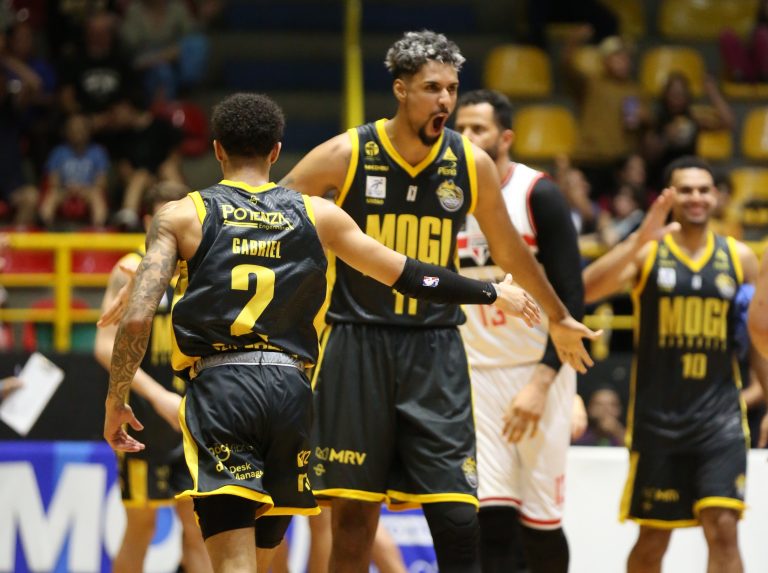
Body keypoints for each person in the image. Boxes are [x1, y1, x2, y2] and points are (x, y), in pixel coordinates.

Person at [102, 92, 540, 573]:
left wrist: (117, 398)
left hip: (223, 389)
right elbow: (412, 275)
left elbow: (138, 320)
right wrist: (491, 292)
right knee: (265, 561)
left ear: (217, 149)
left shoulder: (181, 214)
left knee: (233, 563)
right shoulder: (318, 215)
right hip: (291, 393)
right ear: (276, 151)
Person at [279, 30, 600, 573]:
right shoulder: (348, 153)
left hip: (436, 349)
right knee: (353, 525)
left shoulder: (469, 162)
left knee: (458, 519)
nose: (445, 100)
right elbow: (272, 213)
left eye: (452, 88)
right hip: (357, 342)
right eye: (432, 88)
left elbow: (512, 253)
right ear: (401, 90)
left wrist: (560, 317)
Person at [583, 155, 768, 572]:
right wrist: (637, 240)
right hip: (658, 420)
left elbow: (758, 335)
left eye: (703, 189)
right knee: (653, 537)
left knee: (723, 527)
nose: (696, 197)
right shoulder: (648, 253)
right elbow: (585, 291)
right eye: (685, 190)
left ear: (716, 196)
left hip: (720, 419)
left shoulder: (740, 257)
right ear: (669, 196)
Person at [454, 89, 584, 573]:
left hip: (537, 373)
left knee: (541, 524)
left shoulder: (537, 194)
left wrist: (544, 381)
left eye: (478, 129)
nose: (466, 137)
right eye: (460, 128)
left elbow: (571, 298)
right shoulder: (445, 197)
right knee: (489, 518)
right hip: (476, 375)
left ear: (505, 137)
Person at [95, 181, 212, 573]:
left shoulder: (202, 267)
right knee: (141, 527)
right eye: (165, 216)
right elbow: (103, 345)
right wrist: (158, 396)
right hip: (145, 415)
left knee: (197, 528)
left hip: (194, 414)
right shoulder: (129, 267)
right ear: (148, 221)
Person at [41, 113, 110, 228]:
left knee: (97, 196)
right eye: (73, 129)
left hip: (88, 191)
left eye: (81, 129)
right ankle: (47, 228)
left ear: (88, 131)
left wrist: (82, 189)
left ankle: (98, 229)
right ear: (67, 132)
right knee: (52, 195)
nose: (77, 132)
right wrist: (67, 189)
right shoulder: (58, 152)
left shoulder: (98, 152)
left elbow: (101, 182)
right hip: (64, 190)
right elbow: (52, 181)